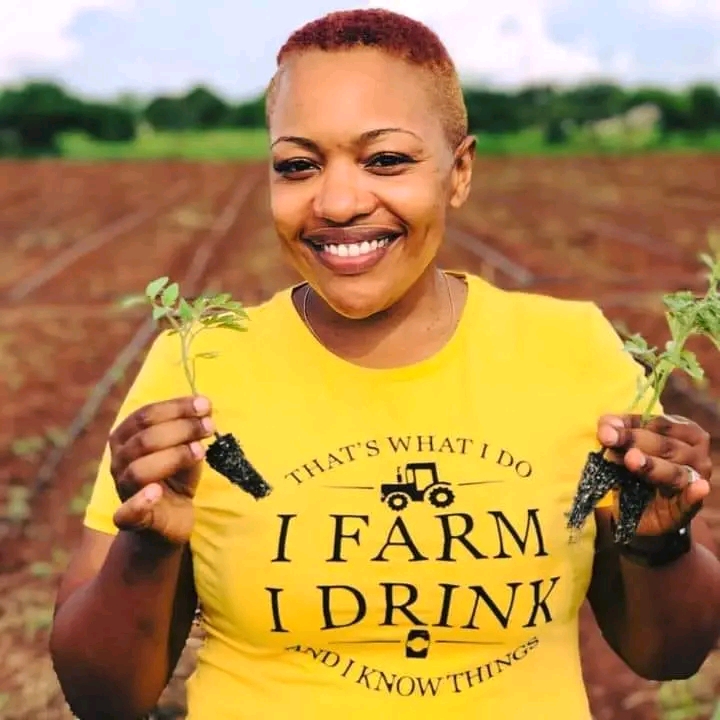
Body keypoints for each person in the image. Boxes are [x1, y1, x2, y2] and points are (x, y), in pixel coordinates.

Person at [50, 8, 720, 719]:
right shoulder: (199, 367)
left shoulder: (571, 350)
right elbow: (102, 699)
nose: (338, 202)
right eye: (298, 165)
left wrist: (661, 544)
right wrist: (147, 548)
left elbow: (669, 655)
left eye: (386, 161)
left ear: (459, 172)